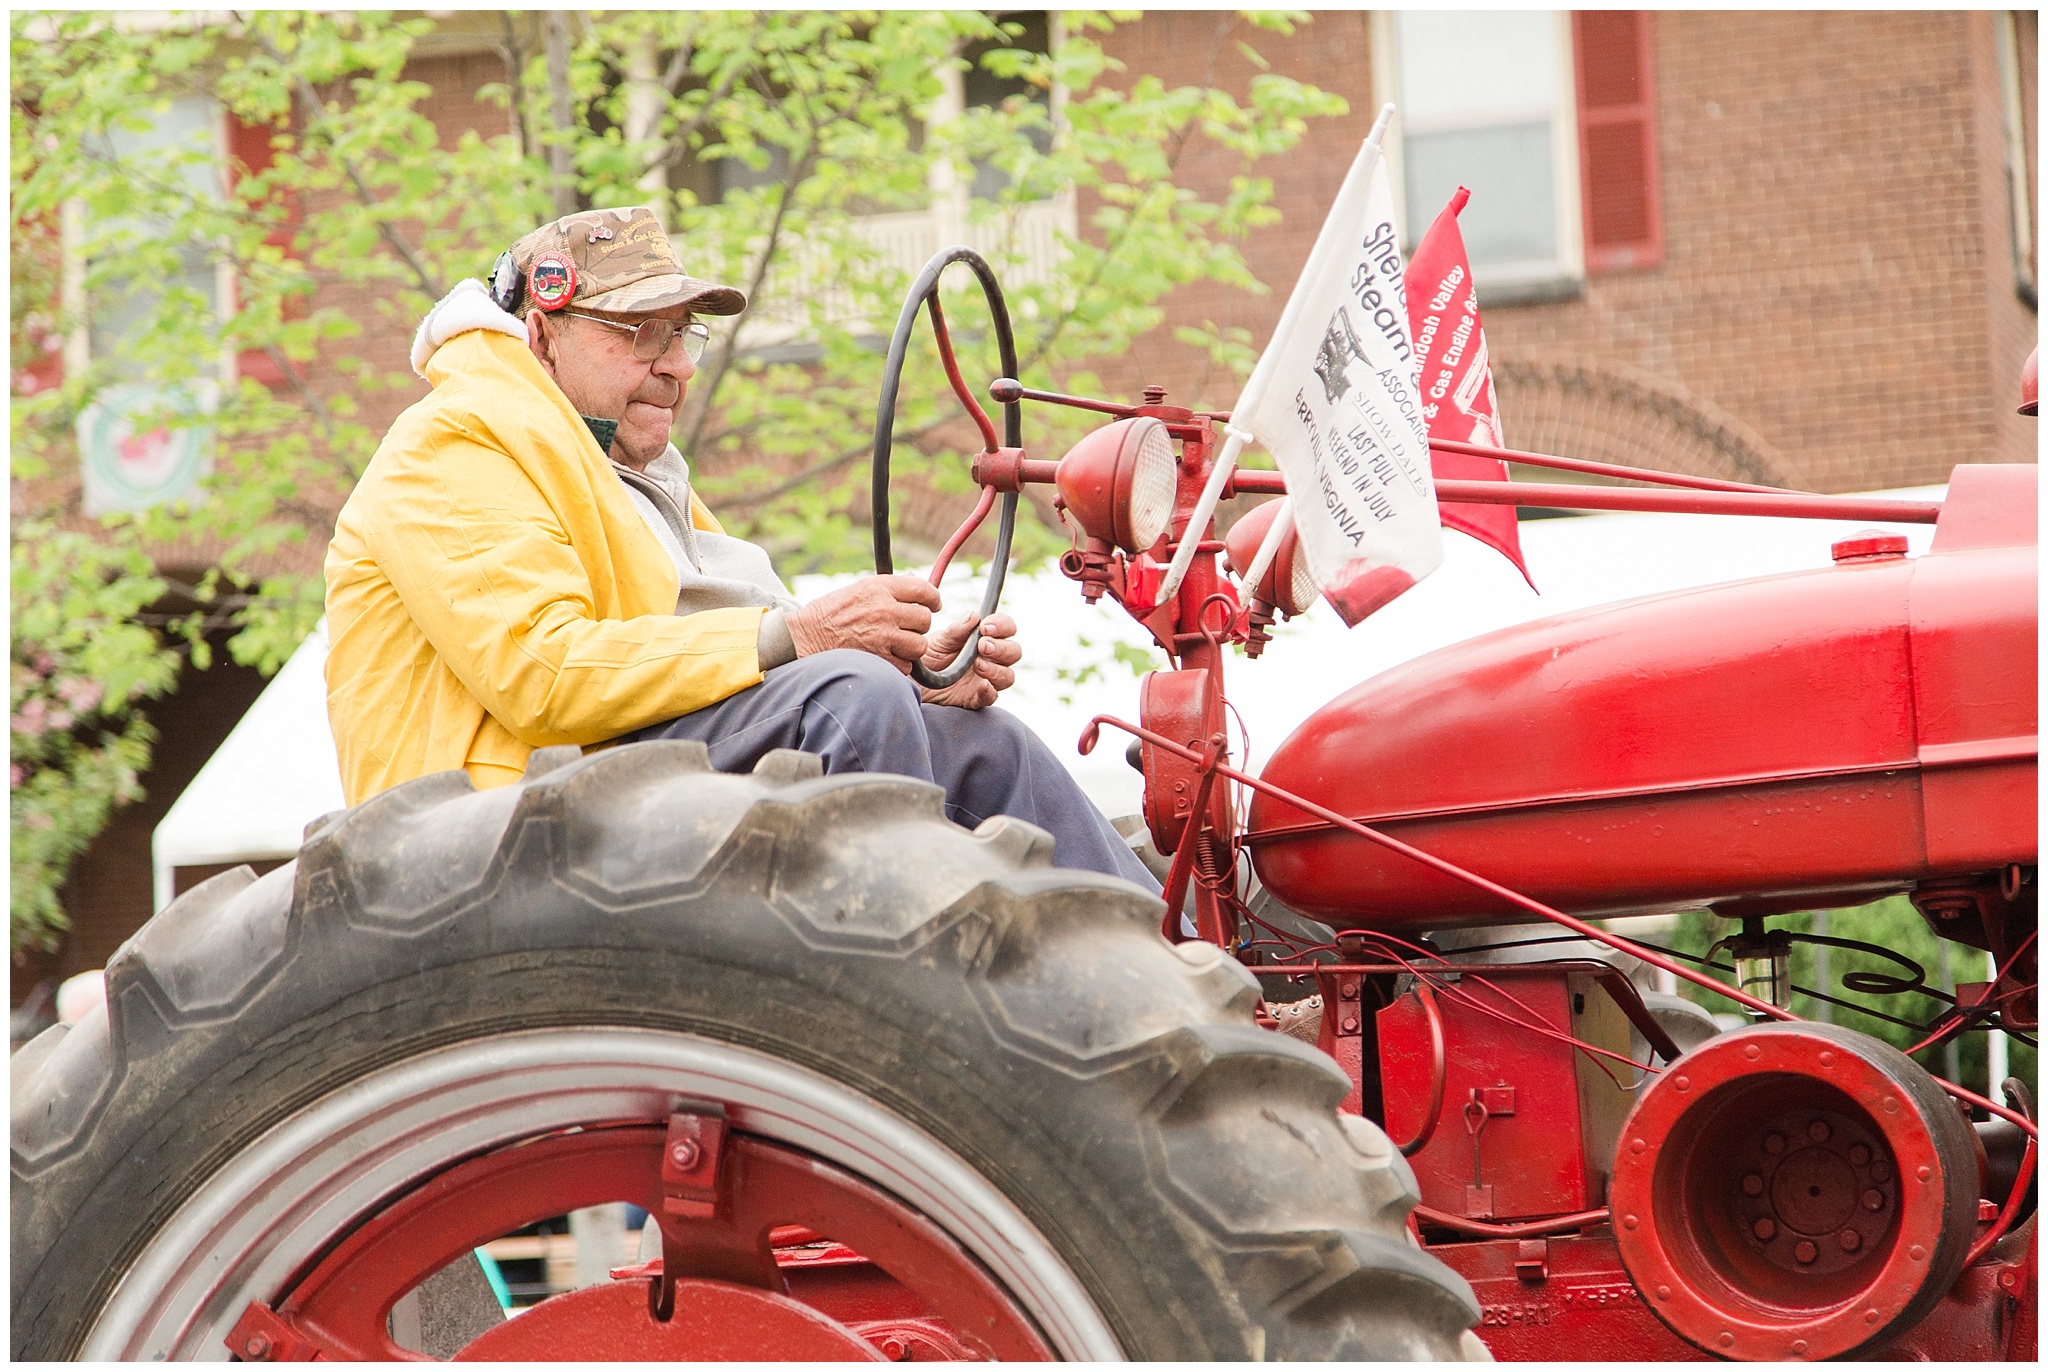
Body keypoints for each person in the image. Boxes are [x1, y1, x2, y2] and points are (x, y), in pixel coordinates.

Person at [324, 206, 1155, 888]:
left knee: (979, 746)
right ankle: (903, 1032)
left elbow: (719, 642)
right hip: (487, 842)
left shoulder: (621, 469)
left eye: (682, 334)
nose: (677, 366)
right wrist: (814, 643)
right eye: (640, 335)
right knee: (848, 701)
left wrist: (911, 672)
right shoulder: (455, 443)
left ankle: (1191, 982)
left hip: (610, 779)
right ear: (544, 333)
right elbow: (546, 674)